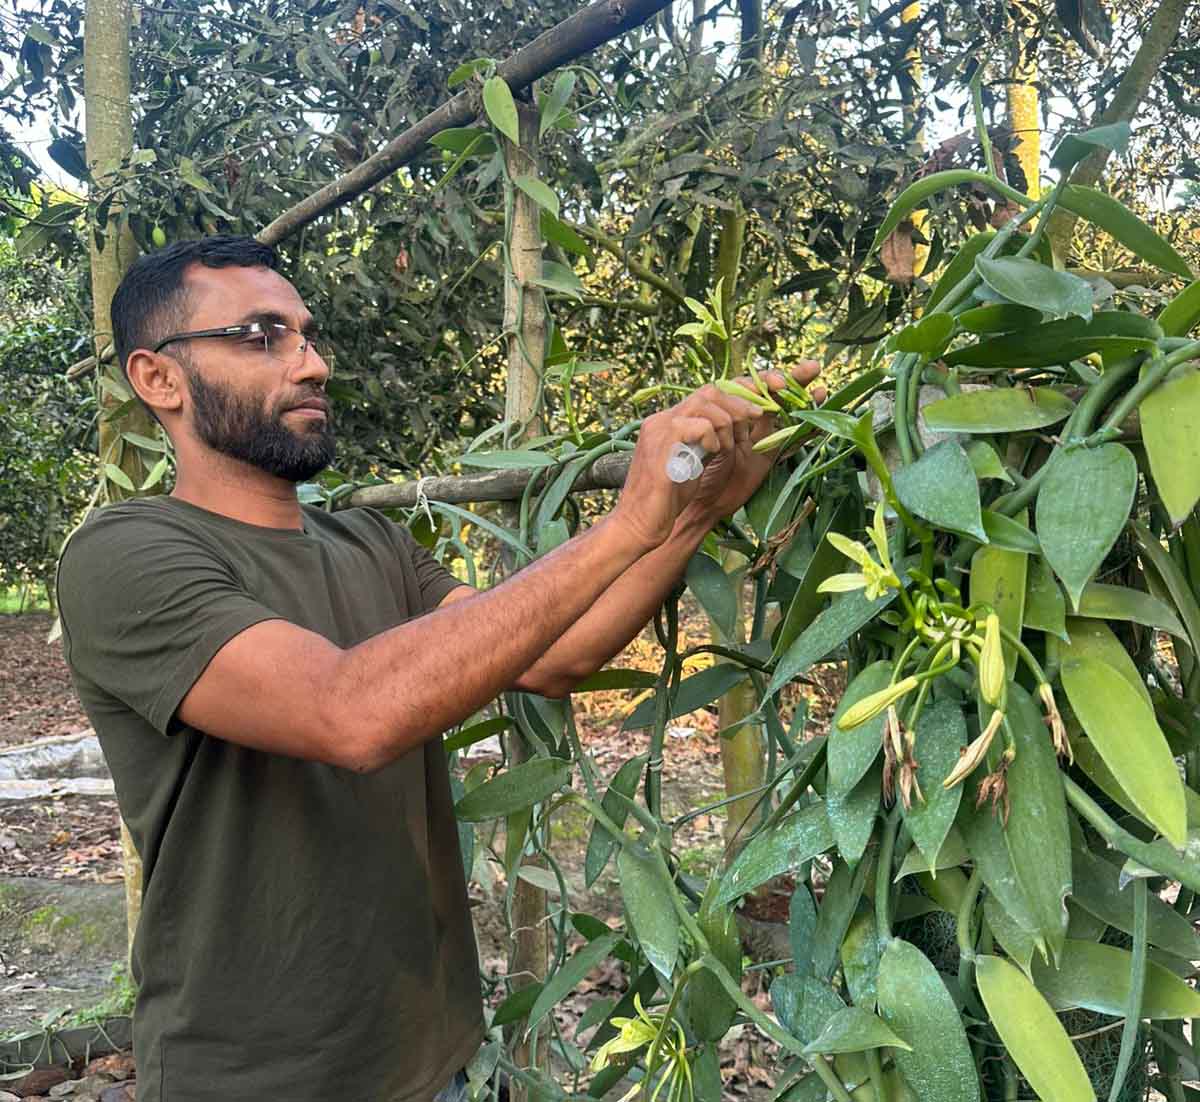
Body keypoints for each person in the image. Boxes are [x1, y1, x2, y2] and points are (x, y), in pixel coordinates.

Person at [56, 235, 821, 1102]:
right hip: (255, 1076)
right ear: (159, 378)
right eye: (262, 336)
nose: (312, 363)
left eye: (307, 334)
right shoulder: (124, 555)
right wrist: (628, 522)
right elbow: (349, 713)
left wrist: (695, 511)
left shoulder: (370, 544)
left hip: (431, 1057)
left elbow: (555, 654)